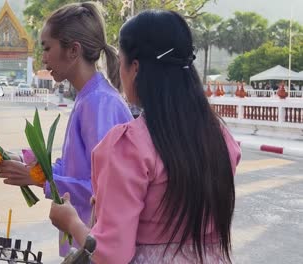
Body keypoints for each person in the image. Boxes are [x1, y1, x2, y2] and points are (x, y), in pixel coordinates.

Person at [49, 10, 241, 264]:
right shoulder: (221, 139)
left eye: (122, 61)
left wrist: (71, 222)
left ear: (135, 68)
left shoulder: (130, 146)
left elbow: (110, 255)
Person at [0, 1, 133, 257]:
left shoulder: (99, 103)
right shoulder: (87, 97)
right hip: (85, 241)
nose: (44, 58)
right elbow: (75, 168)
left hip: (99, 245)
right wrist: (28, 165)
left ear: (73, 51)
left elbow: (103, 189)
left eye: (48, 48)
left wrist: (39, 179)